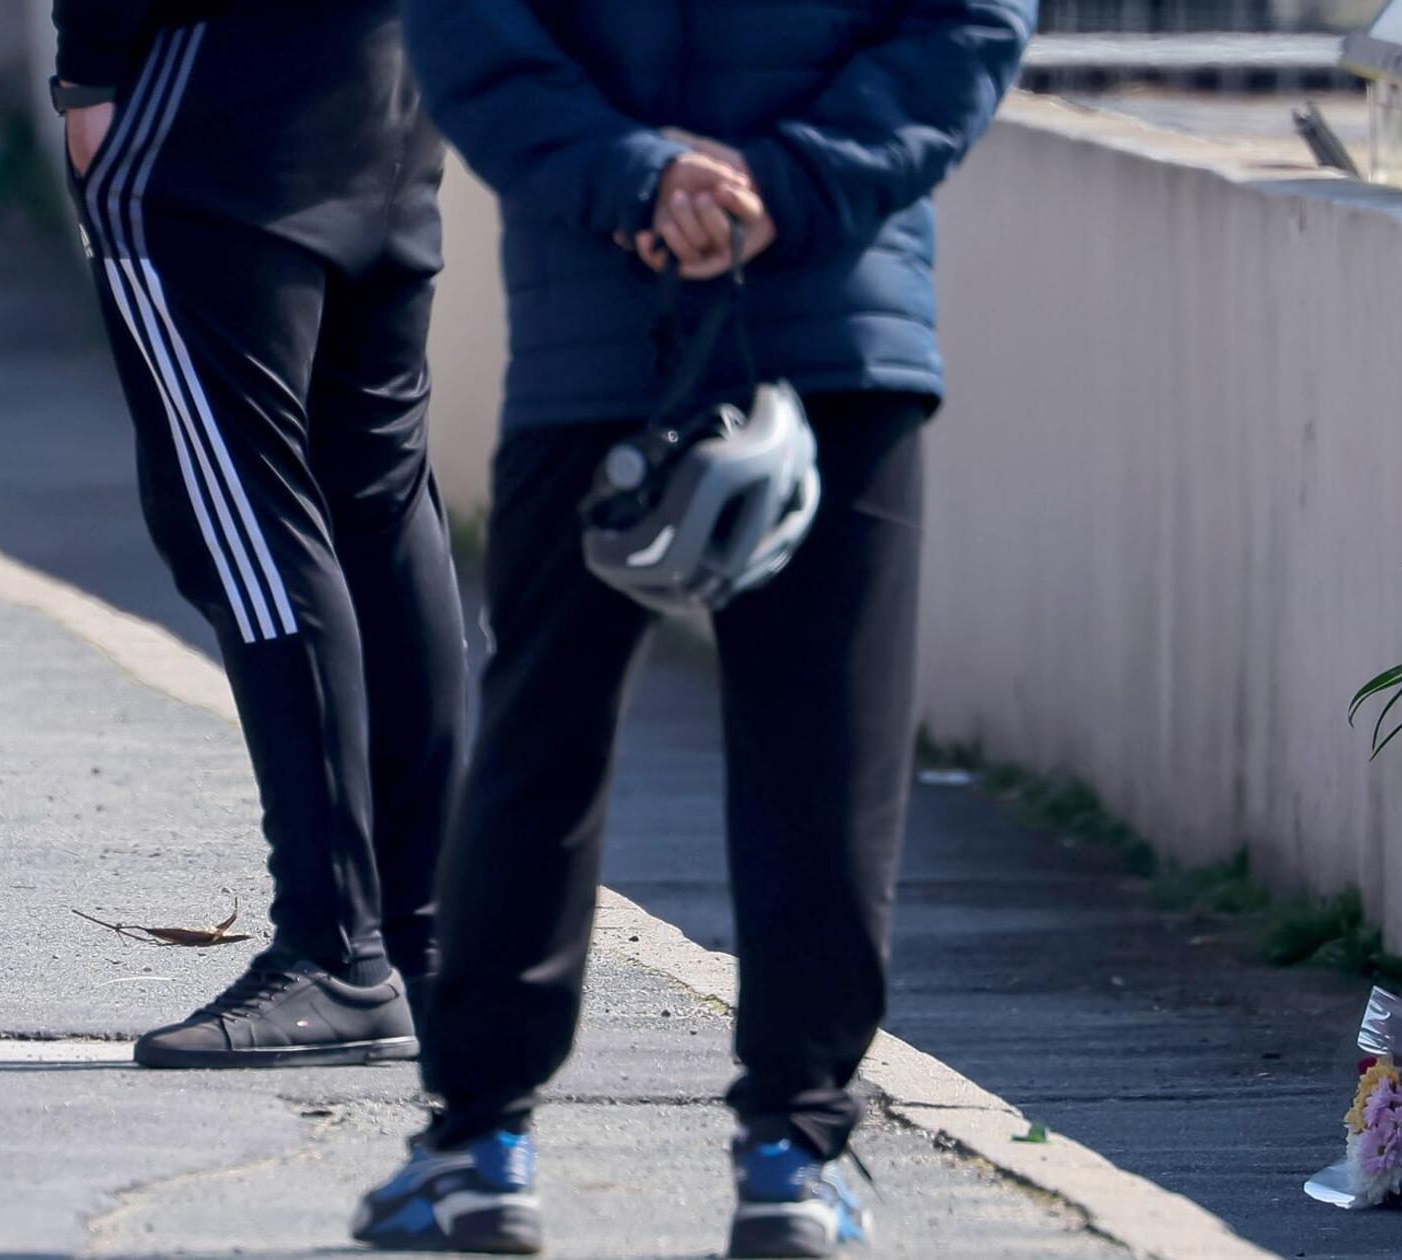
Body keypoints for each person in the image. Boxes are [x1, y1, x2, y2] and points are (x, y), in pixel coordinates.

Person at [350, 1, 1033, 1255]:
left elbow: (469, 31)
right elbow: (968, 24)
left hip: (603, 323)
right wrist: (787, 185)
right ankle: (791, 1152)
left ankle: (480, 1144)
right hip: (836, 316)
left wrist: (641, 177)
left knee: (539, 746)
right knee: (825, 752)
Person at [50, 0, 463, 1065]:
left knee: (240, 524)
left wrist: (88, 70)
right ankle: (423, 941)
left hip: (215, 83)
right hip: (398, 80)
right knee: (374, 500)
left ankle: (334, 952)